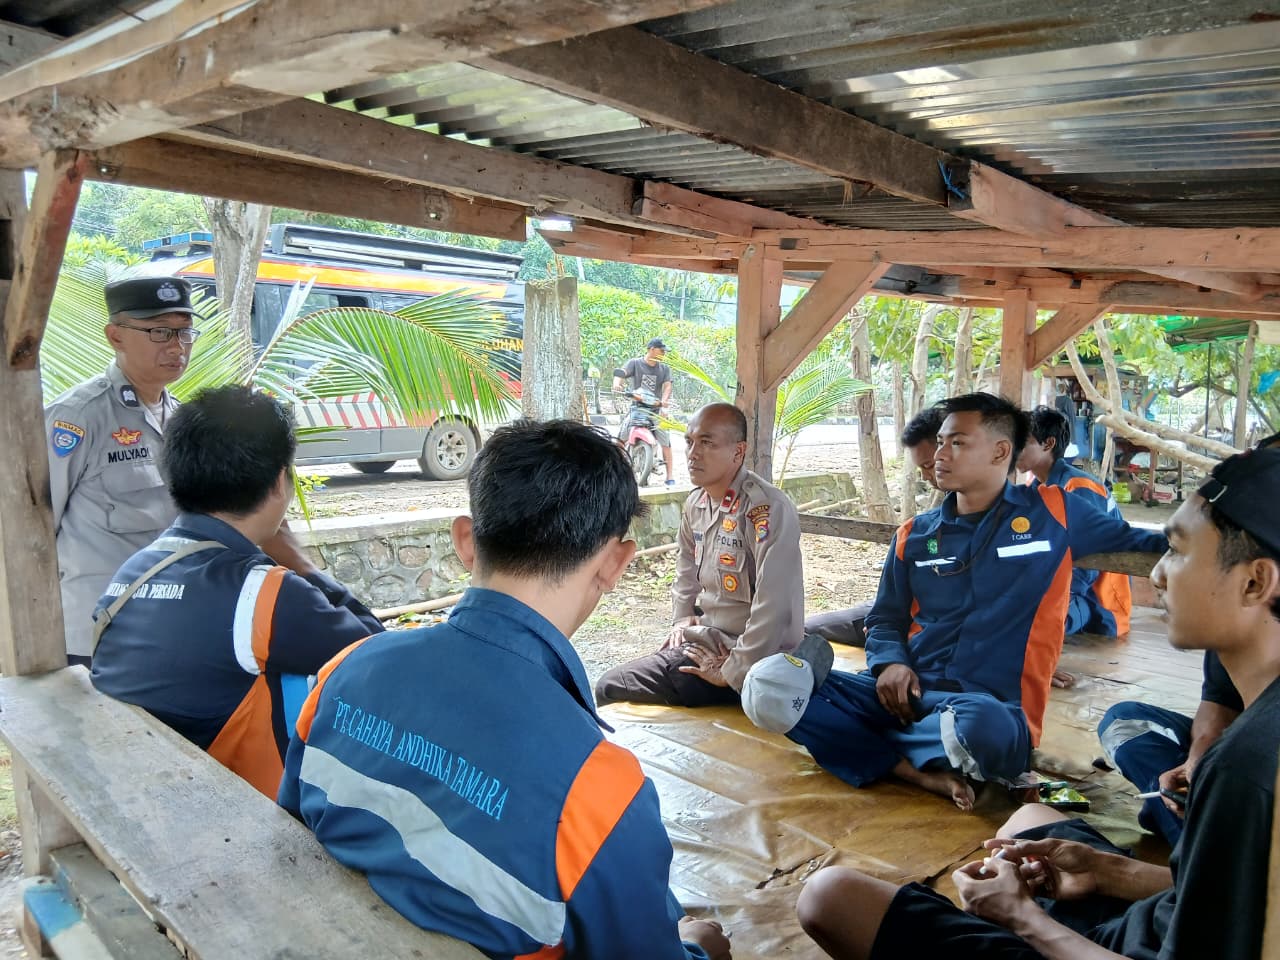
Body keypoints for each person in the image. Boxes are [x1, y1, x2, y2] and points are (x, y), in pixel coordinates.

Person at [793, 446, 1280, 960]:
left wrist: (1022, 919)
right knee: (1026, 821)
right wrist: (1105, 870)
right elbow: (1220, 899)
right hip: (1152, 914)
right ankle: (911, 760)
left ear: (1255, 581)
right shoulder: (916, 531)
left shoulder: (1245, 769)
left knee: (830, 896)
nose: (1157, 574)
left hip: (1102, 940)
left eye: (1177, 551)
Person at [278, 419, 731, 960]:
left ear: (466, 541)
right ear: (615, 563)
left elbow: (292, 837)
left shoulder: (342, 672)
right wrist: (697, 949)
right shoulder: (597, 790)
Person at [743, 394, 1167, 810]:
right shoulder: (915, 534)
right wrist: (890, 664)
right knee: (769, 684)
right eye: (941, 442)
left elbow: (1148, 542)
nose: (940, 454)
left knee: (983, 727)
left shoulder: (1055, 513)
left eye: (957, 443)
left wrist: (1200, 522)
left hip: (990, 709)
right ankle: (912, 768)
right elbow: (885, 618)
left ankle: (869, 747)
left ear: (1001, 451)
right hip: (905, 696)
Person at [91, 386, 384, 798]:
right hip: (229, 811)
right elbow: (378, 658)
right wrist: (301, 564)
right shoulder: (262, 592)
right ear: (279, 481)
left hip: (135, 789)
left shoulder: (136, 568)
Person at [595, 402, 804, 707]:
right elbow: (685, 570)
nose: (693, 453)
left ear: (738, 451)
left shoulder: (765, 509)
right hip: (707, 640)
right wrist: (682, 619)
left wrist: (733, 670)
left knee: (611, 686)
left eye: (707, 443)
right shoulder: (697, 503)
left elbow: (776, 602)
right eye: (689, 442)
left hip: (752, 658)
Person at [45, 277, 198, 666]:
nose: (177, 346)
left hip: (167, 626)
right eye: (159, 331)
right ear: (115, 336)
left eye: (184, 332)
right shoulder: (78, 418)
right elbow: (31, 528)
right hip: (97, 635)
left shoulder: (181, 418)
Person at [806, 405, 944, 647]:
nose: (925, 476)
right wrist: (889, 657)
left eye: (928, 465)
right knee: (803, 630)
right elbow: (885, 614)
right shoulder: (915, 531)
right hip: (897, 617)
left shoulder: (1010, 530)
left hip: (925, 636)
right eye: (922, 468)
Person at [1018, 406, 1134, 638]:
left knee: (1030, 625)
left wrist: (1053, 596)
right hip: (1058, 588)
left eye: (1022, 442)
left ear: (1048, 444)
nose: (1013, 449)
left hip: (1095, 599)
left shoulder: (1079, 487)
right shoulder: (1034, 490)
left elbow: (1089, 559)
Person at [614, 337, 676, 485]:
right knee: (620, 440)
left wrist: (664, 402)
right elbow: (621, 373)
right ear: (652, 349)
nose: (664, 354)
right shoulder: (635, 363)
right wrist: (617, 384)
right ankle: (618, 471)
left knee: (666, 442)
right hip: (637, 407)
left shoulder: (664, 369)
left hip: (656, 410)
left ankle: (670, 476)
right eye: (662, 351)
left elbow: (667, 386)